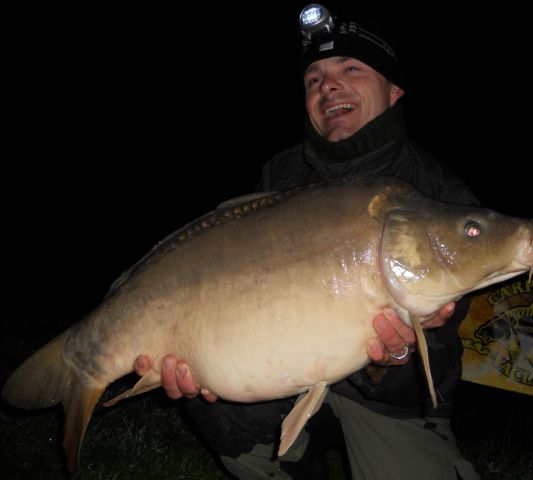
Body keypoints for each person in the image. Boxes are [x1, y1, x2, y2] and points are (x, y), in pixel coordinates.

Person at [135, 5, 480, 479]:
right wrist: (202, 356)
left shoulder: (438, 195)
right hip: (289, 383)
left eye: (351, 68)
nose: (328, 85)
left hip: (391, 403)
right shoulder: (280, 175)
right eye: (313, 78)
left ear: (395, 89)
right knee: (220, 409)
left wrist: (389, 361)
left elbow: (428, 372)